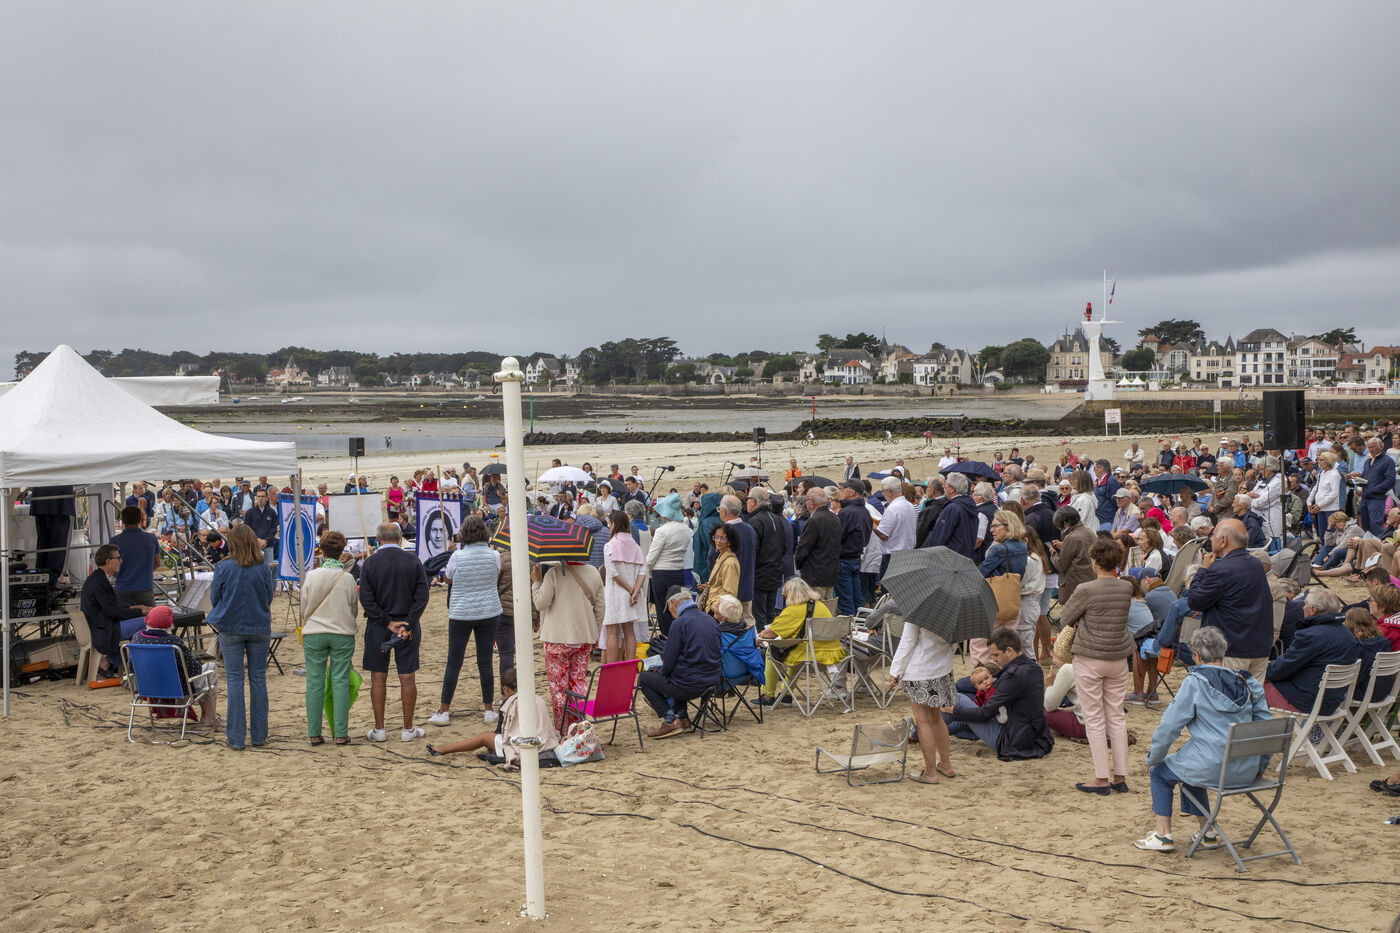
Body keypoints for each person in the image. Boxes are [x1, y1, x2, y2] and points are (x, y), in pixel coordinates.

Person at [1134, 626, 1274, 853]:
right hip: (1246, 770)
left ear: (1196, 655)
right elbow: (1267, 729)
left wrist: (1154, 757)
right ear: (1223, 652)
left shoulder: (1195, 682)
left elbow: (1169, 727)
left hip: (1213, 768)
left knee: (1160, 772)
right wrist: (1260, 767)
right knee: (1189, 765)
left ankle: (1162, 834)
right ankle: (1207, 833)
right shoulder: (1249, 683)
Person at [1061, 537, 1135, 795]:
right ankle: (1120, 776)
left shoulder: (1086, 589)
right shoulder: (1126, 587)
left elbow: (1065, 616)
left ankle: (1101, 778)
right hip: (1117, 656)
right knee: (1116, 715)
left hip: (1090, 656)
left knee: (1093, 718)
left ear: (1094, 560)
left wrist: (1082, 616)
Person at [358, 521, 431, 743]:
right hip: (406, 625)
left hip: (378, 625)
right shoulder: (413, 561)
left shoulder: (370, 563)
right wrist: (408, 622)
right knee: (407, 676)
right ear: (400, 538)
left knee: (378, 676)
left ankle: (379, 728)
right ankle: (407, 728)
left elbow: (366, 599)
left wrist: (387, 622)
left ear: (378, 540)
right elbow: (422, 596)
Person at [208, 523, 275, 750]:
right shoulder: (262, 567)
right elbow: (268, 597)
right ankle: (259, 735)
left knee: (235, 681)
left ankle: (236, 738)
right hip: (258, 626)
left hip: (231, 626)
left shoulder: (223, 567)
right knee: (258, 679)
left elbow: (215, 597)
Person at [433, 515, 505, 727]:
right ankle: (488, 709)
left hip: (462, 612)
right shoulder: (495, 555)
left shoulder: (457, 556)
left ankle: (444, 710)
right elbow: (495, 575)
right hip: (488, 610)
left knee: (454, 661)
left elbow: (448, 578)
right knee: (485, 661)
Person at [942, 629, 1054, 761]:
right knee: (964, 709)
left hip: (1012, 741)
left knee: (958, 699)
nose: (994, 659)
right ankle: (930, 732)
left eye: (996, 655)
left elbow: (984, 714)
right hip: (1036, 737)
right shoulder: (1034, 668)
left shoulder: (1014, 676)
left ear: (1009, 651)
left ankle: (925, 731)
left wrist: (953, 710)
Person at [1186, 518, 1275, 681]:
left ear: (1224, 540)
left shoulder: (1220, 570)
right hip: (1258, 646)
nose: (1211, 539)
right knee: (1253, 695)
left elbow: (1194, 601)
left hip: (1232, 649)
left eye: (1213, 536)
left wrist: (1203, 570)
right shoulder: (1256, 564)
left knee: (1227, 695)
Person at [299, 530, 359, 746]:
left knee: (314, 681)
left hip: (315, 632)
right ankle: (341, 733)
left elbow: (303, 607)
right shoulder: (348, 578)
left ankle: (314, 733)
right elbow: (354, 609)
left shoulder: (312, 576)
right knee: (340, 680)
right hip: (342, 632)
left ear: (322, 551)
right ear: (342, 551)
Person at [427, 668, 561, 763]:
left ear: (506, 689)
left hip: (526, 744)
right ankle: (442, 749)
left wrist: (491, 741)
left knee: (485, 737)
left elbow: (501, 732)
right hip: (545, 741)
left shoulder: (510, 702)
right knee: (491, 738)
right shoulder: (538, 698)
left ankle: (443, 749)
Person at [532, 559, 606, 730]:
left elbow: (540, 603)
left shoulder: (554, 573)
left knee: (559, 689)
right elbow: (600, 608)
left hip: (557, 637)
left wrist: (536, 583)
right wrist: (595, 634)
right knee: (579, 684)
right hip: (584, 636)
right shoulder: (593, 572)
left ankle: (563, 730)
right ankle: (579, 728)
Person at [638, 586, 721, 738]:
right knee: (679, 671)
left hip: (690, 685)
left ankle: (670, 720)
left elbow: (669, 662)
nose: (672, 615)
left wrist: (660, 670)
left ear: (674, 604)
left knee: (644, 678)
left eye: (670, 610)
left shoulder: (680, 623)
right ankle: (682, 718)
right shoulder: (710, 619)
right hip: (712, 680)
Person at [887, 609, 956, 785]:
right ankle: (946, 764)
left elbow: (908, 641)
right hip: (942, 668)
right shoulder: (955, 610)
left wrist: (895, 670)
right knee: (936, 718)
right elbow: (955, 642)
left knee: (923, 721)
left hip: (920, 669)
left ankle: (931, 772)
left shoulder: (920, 609)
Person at [1263, 588, 1359, 714]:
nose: (1303, 607)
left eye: (1306, 604)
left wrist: (1260, 669)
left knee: (1252, 686)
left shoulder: (1310, 635)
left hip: (1305, 701)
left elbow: (1281, 669)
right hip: (1331, 702)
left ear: (1313, 610)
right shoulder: (1347, 634)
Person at [758, 578, 847, 707]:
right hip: (832, 656)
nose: (784, 597)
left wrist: (758, 636)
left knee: (772, 650)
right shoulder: (821, 606)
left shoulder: (793, 610)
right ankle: (786, 694)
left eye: (785, 594)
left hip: (809, 658)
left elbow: (769, 634)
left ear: (791, 594)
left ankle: (768, 695)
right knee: (796, 648)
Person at [129, 605, 221, 726]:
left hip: (148, 688)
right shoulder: (173, 641)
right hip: (177, 690)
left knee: (201, 675)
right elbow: (194, 670)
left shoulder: (137, 638)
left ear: (148, 620)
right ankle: (209, 717)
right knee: (210, 669)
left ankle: (206, 716)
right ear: (169, 624)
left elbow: (131, 667)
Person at [80, 544, 150, 678]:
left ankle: (117, 662)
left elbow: (111, 607)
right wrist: (140, 612)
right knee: (147, 622)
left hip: (101, 625)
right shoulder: (100, 581)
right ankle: (126, 664)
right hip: (104, 629)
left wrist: (134, 609)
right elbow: (112, 611)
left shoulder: (97, 578)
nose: (121, 561)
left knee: (141, 622)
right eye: (118, 558)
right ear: (108, 561)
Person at [602, 509, 648, 665]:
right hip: (632, 594)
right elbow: (643, 570)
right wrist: (635, 591)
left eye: (610, 523)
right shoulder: (635, 546)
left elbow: (613, 573)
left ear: (614, 524)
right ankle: (629, 666)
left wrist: (630, 590)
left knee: (612, 632)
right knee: (629, 631)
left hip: (615, 593)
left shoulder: (609, 545)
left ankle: (612, 667)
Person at [646, 492, 690, 638]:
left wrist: (650, 572)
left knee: (663, 611)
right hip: (679, 571)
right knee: (678, 608)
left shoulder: (662, 531)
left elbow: (651, 558)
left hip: (662, 572)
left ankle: (667, 639)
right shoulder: (686, 529)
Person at [108, 505, 161, 607]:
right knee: (150, 616)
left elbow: (111, 567)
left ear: (123, 521)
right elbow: (157, 563)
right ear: (140, 520)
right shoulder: (151, 539)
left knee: (124, 616)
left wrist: (122, 575)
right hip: (145, 587)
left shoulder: (114, 541)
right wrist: (145, 574)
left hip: (123, 588)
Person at [834, 481, 874, 615]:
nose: (841, 491)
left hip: (844, 559)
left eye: (844, 489)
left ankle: (850, 625)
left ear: (852, 492)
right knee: (857, 599)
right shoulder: (865, 511)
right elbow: (867, 537)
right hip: (856, 558)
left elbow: (837, 537)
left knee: (846, 602)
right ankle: (860, 624)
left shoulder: (847, 512)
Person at [794, 487, 840, 599]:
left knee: (815, 607)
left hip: (815, 574)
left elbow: (803, 548)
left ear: (812, 503)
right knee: (828, 606)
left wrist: (798, 564)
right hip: (830, 572)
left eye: (806, 500)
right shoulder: (834, 517)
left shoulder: (814, 520)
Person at [1351, 436, 1397, 537]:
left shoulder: (1388, 461)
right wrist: (1359, 483)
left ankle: (1380, 544)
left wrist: (1373, 490)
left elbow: (1390, 481)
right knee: (1365, 525)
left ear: (1381, 447)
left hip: (1377, 498)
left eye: (1373, 447)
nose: (1371, 449)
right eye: (1369, 447)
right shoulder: (1368, 462)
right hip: (1365, 497)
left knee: (1375, 524)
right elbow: (1365, 478)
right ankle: (1368, 545)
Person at [927, 472, 979, 560]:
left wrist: (932, 555)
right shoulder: (970, 505)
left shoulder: (952, 508)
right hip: (966, 557)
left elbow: (939, 536)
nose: (943, 486)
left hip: (950, 558)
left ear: (952, 489)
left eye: (945, 484)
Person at [1052, 506, 1095, 604]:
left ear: (1065, 523)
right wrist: (1064, 547)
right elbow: (1081, 553)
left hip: (1074, 585)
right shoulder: (1090, 532)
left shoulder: (1071, 537)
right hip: (1090, 581)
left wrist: (1053, 554)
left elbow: (1061, 565)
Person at [699, 523, 740, 616]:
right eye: (716, 537)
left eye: (722, 538)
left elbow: (730, 593)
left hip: (719, 610)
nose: (718, 541)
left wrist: (716, 608)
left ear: (730, 542)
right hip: (714, 606)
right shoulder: (721, 556)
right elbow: (719, 584)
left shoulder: (730, 563)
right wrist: (708, 586)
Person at [243, 488, 279, 565]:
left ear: (267, 498)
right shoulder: (250, 512)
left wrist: (265, 541)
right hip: (254, 546)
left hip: (268, 545)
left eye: (262, 496)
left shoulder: (272, 512)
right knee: (254, 567)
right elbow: (247, 528)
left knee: (269, 567)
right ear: (256, 498)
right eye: (258, 496)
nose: (260, 498)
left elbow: (274, 528)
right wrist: (257, 540)